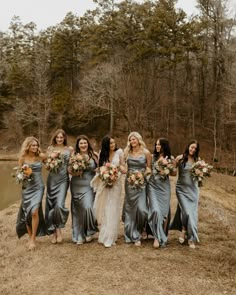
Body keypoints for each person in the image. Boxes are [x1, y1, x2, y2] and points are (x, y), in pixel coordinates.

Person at [91, 136, 126, 248]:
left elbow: (124, 167)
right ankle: (104, 235)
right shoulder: (102, 153)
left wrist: (117, 169)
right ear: (106, 144)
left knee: (113, 208)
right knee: (106, 209)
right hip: (105, 183)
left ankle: (111, 236)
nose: (113, 145)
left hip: (116, 184)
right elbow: (99, 168)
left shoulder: (119, 152)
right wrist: (103, 172)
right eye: (111, 143)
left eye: (114, 143)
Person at [16, 137, 47, 250]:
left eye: (36, 145)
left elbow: (50, 165)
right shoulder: (22, 158)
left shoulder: (41, 156)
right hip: (27, 188)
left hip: (38, 187)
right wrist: (23, 174)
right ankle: (30, 237)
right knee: (27, 212)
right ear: (27, 146)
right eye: (32, 145)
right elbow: (19, 174)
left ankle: (33, 238)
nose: (35, 147)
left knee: (34, 211)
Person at [169, 140, 200, 249]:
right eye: (192, 147)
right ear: (188, 147)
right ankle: (184, 230)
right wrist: (172, 164)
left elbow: (199, 179)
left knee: (192, 214)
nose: (193, 150)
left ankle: (190, 237)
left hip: (193, 190)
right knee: (186, 211)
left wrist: (201, 174)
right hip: (181, 189)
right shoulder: (180, 158)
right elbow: (173, 173)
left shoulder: (197, 161)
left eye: (195, 149)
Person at [123, 132, 151, 246]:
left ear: (138, 140)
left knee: (142, 210)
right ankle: (132, 234)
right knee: (130, 209)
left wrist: (142, 175)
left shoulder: (146, 152)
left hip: (141, 183)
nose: (132, 142)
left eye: (134, 139)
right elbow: (124, 166)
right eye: (130, 140)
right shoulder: (127, 152)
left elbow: (149, 167)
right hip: (129, 182)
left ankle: (141, 228)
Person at [45, 129, 73, 244]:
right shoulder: (50, 149)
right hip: (52, 179)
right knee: (51, 205)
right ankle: (54, 232)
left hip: (63, 180)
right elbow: (47, 166)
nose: (60, 139)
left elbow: (71, 165)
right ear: (55, 138)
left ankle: (59, 229)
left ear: (64, 138)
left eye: (61, 137)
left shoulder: (69, 149)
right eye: (58, 137)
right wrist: (51, 163)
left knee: (59, 204)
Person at [70, 135, 98, 245]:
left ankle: (89, 231)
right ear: (78, 145)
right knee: (78, 211)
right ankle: (79, 234)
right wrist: (76, 171)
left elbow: (99, 167)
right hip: (76, 184)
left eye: (85, 143)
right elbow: (69, 170)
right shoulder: (74, 155)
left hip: (89, 185)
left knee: (88, 207)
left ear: (88, 144)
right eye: (81, 143)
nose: (83, 145)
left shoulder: (94, 155)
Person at [147, 138, 175, 248]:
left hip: (164, 188)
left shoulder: (171, 158)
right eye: (156, 144)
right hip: (153, 186)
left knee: (164, 212)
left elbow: (174, 173)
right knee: (155, 210)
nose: (157, 146)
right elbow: (149, 170)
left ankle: (161, 235)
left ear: (164, 146)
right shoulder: (153, 157)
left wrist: (168, 167)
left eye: (159, 145)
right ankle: (157, 236)